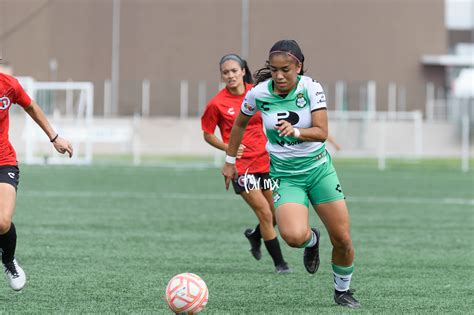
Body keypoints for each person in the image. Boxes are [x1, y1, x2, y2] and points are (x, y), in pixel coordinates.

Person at [222, 40, 360, 308]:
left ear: (299, 66)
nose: (279, 75)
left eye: (285, 69)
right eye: (274, 70)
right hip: (285, 176)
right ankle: (313, 239)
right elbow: (239, 123)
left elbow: (321, 132)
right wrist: (230, 160)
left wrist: (296, 131)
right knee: (294, 237)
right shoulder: (258, 94)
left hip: (320, 171)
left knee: (342, 239)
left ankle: (342, 290)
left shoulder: (311, 88)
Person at [201, 54, 291, 274]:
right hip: (241, 167)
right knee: (265, 214)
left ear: (243, 71)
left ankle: (255, 235)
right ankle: (281, 264)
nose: (230, 75)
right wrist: (227, 148)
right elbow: (207, 134)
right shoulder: (217, 103)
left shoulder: (258, 93)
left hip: (267, 163)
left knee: (276, 214)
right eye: (225, 72)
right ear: (221, 76)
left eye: (234, 71)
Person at [0, 70, 73, 291]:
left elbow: (30, 106)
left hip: (3, 160)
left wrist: (54, 137)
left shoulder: (8, 85)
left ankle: (9, 261)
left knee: (2, 221)